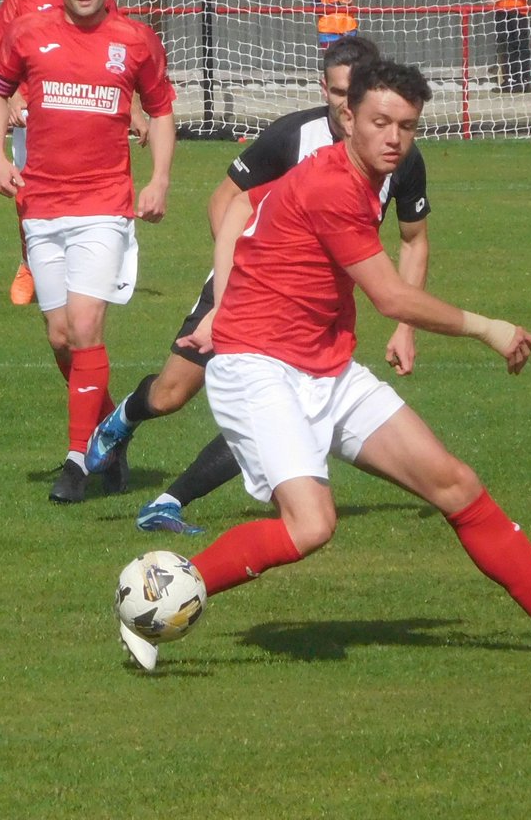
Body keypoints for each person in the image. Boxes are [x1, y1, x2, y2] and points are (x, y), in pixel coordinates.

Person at [116, 58, 531, 671]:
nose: (393, 137)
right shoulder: (331, 184)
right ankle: (153, 603)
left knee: (455, 484)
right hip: (258, 367)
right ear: (348, 117)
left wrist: (231, 291)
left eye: (408, 125)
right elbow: (390, 296)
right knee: (311, 525)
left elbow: (243, 209)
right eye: (380, 122)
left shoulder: (364, 174)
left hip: (325, 367)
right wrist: (488, 327)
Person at [86, 36, 432, 535]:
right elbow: (224, 201)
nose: (341, 104)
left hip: (307, 312)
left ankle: (166, 503)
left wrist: (404, 326)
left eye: (350, 93)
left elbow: (414, 240)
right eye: (335, 91)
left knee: (276, 405)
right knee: (169, 395)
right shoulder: (293, 136)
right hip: (242, 285)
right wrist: (229, 298)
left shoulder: (400, 157)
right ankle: (124, 419)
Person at [0, 0, 176, 504]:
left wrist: (159, 179)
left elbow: (162, 110)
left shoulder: (134, 40)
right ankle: (110, 431)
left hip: (103, 207)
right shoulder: (28, 34)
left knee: (87, 326)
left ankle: (77, 462)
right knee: (62, 336)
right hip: (41, 206)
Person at [0, 0, 148, 305]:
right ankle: (29, 265)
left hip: (86, 114)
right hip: (33, 116)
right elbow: (4, 61)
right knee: (26, 190)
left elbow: (117, 59)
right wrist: (12, 98)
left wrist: (135, 110)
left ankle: (97, 256)